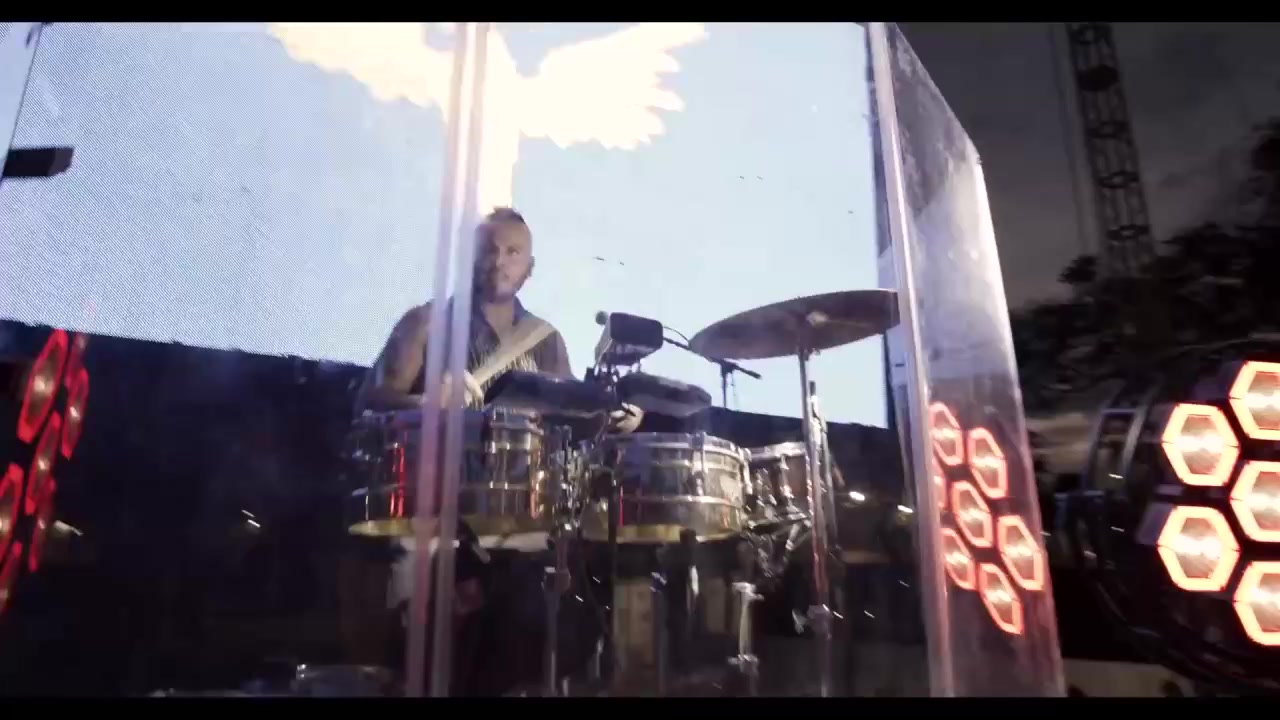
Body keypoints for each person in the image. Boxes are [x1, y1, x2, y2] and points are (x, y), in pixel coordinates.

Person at [356, 207, 637, 695]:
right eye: (489, 250)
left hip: (524, 519)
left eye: (513, 252)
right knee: (427, 661)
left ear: (530, 267)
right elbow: (368, 403)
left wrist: (611, 418)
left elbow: (573, 419)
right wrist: (427, 403)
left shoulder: (546, 341)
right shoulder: (427, 323)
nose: (500, 261)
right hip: (436, 514)